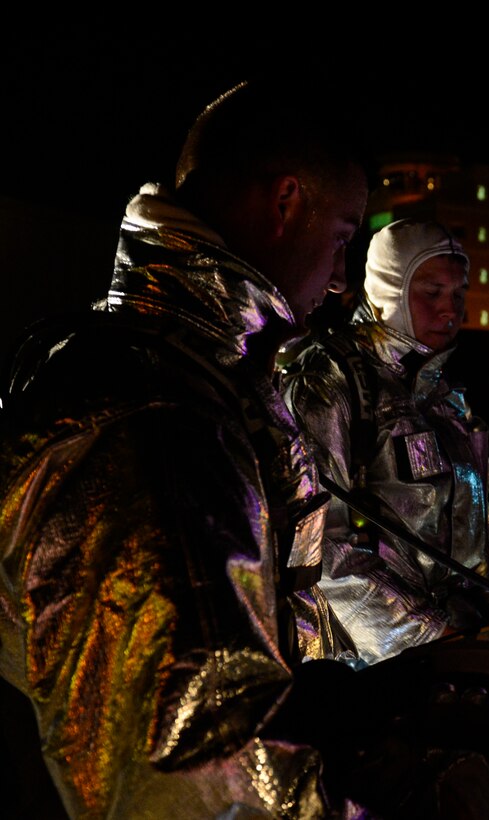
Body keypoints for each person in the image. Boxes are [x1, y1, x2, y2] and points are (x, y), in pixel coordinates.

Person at [0, 80, 372, 817]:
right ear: (285, 200)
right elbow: (197, 770)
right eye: (342, 236)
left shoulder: (197, 381)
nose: (338, 280)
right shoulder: (156, 413)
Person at [280, 217, 489, 670]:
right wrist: (426, 637)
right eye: (432, 292)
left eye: (459, 293)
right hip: (369, 668)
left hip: (465, 651)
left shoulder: (450, 402)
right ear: (390, 289)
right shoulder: (330, 381)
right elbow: (319, 545)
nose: (450, 309)